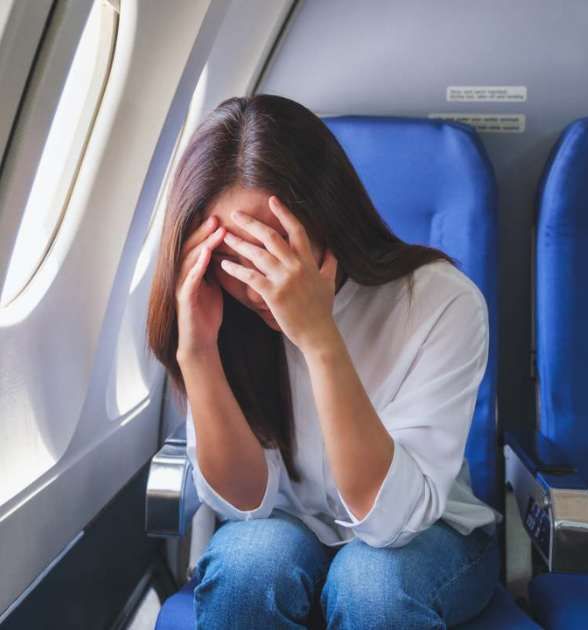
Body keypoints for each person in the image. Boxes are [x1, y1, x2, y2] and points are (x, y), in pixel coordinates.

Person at [146, 95, 498, 628]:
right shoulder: (224, 314)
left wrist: (318, 337)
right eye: (229, 257)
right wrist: (197, 353)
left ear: (327, 217)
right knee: (245, 570)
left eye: (272, 245)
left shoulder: (440, 301)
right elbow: (246, 505)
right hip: (289, 525)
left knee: (370, 586)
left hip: (430, 533)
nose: (255, 281)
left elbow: (391, 523)